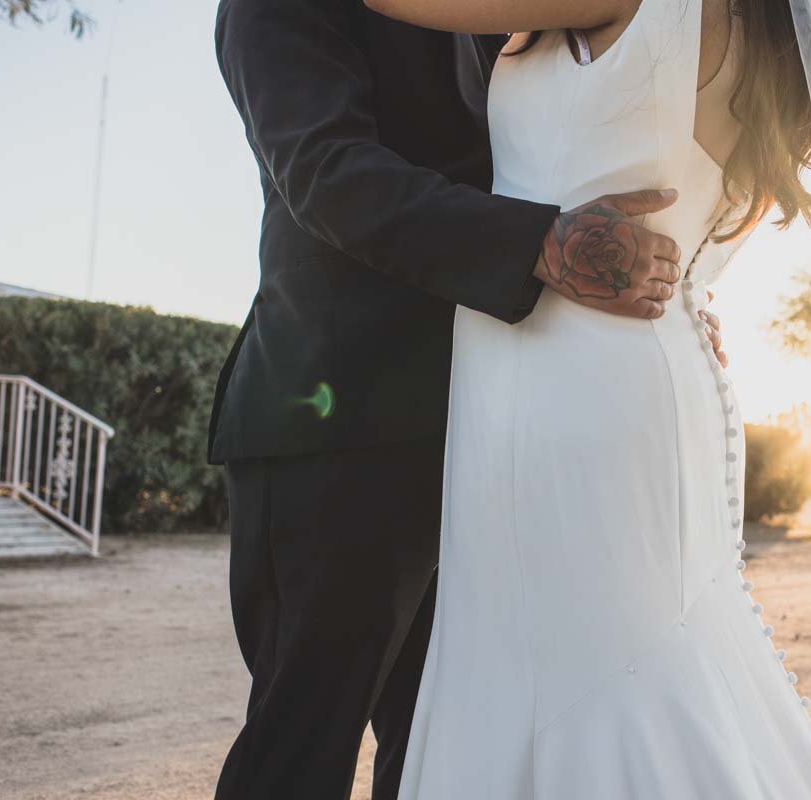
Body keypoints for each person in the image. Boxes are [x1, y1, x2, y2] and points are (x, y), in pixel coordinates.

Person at [209, 1, 727, 798]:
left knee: (440, 754)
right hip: (335, 424)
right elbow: (326, 172)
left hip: (490, 425)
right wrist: (549, 248)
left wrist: (673, 289)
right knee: (301, 746)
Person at [364, 0, 811, 796]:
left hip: (559, 382)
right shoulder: (773, 43)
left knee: (573, 671)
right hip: (653, 366)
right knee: (637, 656)